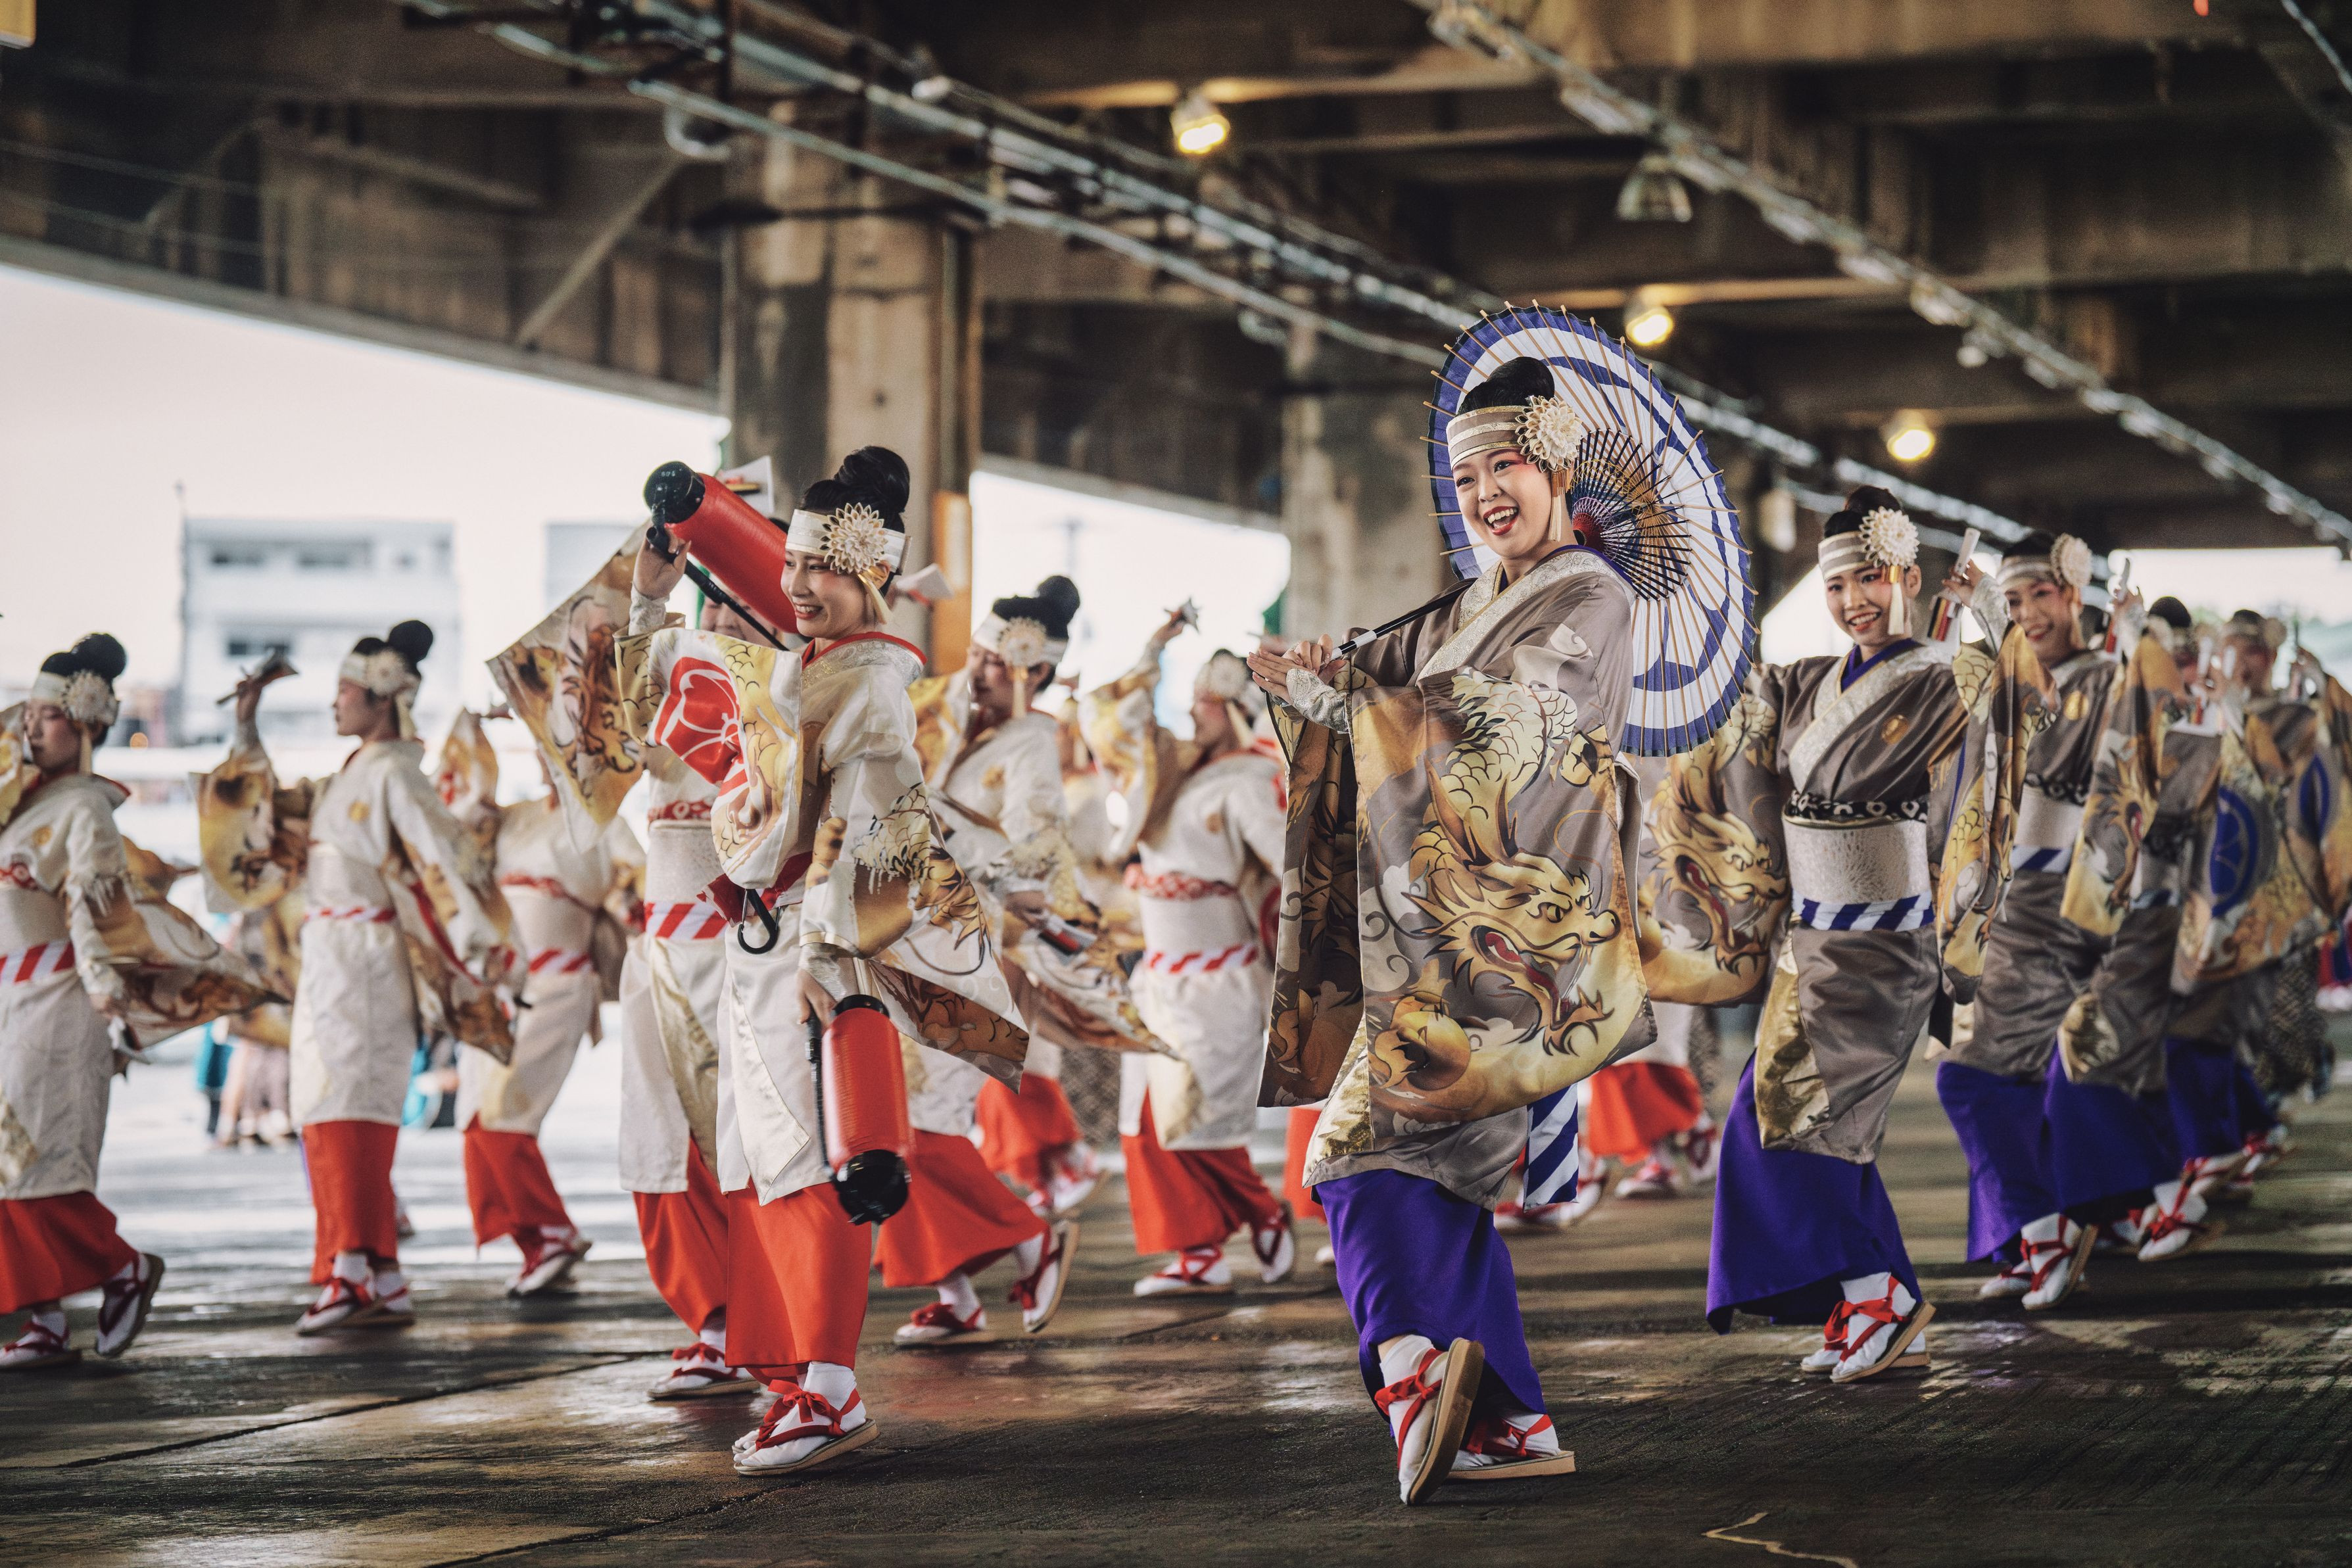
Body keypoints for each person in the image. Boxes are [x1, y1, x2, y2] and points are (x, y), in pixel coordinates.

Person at [1251, 349, 1711, 1501]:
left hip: (1513, 934)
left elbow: (1510, 722)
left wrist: (1348, 701)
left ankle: (1414, 1369)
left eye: (1505, 466)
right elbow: (1379, 683)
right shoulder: (1468, 603)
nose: (1485, 493)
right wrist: (1322, 675)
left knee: (1357, 1156)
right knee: (1436, 1176)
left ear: (1557, 471)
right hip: (1441, 931)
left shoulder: (1593, 594)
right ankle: (1509, 1419)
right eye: (1464, 478)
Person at [624, 446, 1057, 1477]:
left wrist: (825, 957)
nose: (800, 585)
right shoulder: (812, 665)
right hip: (762, 938)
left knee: (798, 1166)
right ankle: (794, 1376)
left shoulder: (867, 682)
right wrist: (656, 588)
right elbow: (671, 707)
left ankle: (828, 1382)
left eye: (823, 567)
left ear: (872, 575)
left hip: (808, 946)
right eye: (793, 564)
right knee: (757, 1163)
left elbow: (872, 833)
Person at [1668, 489, 1980, 1380]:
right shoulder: (1802, 681)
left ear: (1909, 578)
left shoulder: (1945, 677)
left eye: (1870, 581)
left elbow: (2002, 725)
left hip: (1883, 945)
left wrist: (1988, 625)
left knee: (1790, 1120)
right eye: (1837, 586)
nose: (1853, 602)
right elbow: (1729, 717)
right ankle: (1876, 1298)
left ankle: (1875, 1294)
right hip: (1809, 943)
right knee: (1801, 1125)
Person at [201, 623, 516, 1335]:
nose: (334, 702)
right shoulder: (350, 774)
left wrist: (487, 949)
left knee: (349, 1110)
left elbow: (449, 861)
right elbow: (262, 815)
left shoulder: (396, 774)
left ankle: (351, 1268)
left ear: (382, 699)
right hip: (334, 956)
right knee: (330, 1107)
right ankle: (380, 1270)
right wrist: (246, 728)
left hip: (367, 957)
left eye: (346, 690)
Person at [1934, 533, 2177, 1309]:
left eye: (2039, 595)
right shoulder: (2011, 676)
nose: (2027, 613)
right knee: (2018, 1077)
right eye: (2013, 600)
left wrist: (2135, 639)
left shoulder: (2103, 679)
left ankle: (2041, 1230)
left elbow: (2149, 739)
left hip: (2055, 907)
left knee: (1973, 1078)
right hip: (1998, 903)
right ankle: (2026, 1234)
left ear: (2074, 594)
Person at [1083, 618, 1295, 1298]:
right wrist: (1153, 650)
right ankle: (1200, 1250)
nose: (1194, 712)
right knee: (1146, 1123)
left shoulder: (1253, 778)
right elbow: (1117, 726)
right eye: (1195, 698)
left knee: (1193, 1120)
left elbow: (1291, 866)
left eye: (1207, 702)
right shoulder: (1168, 771)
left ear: (1236, 710)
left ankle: (1258, 1214)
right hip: (1158, 977)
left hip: (1219, 976)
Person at [0, 636, 167, 1369]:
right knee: (9, 1162)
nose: (31, 729)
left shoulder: (86, 810)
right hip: (13, 998)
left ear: (87, 723)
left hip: (63, 999)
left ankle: (122, 1266)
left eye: (47, 717)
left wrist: (107, 1000)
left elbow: (94, 914)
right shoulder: (18, 805)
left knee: (39, 1167)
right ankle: (44, 1318)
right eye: (29, 716)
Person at [439, 715, 644, 1300]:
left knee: (505, 1110)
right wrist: (474, 730)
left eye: (561, 744)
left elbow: (639, 887)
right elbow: (455, 837)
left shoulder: (605, 820)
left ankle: (551, 1231)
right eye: (542, 744)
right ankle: (535, 1240)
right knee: (475, 1114)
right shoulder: (516, 816)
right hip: (499, 988)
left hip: (559, 983)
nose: (547, 755)